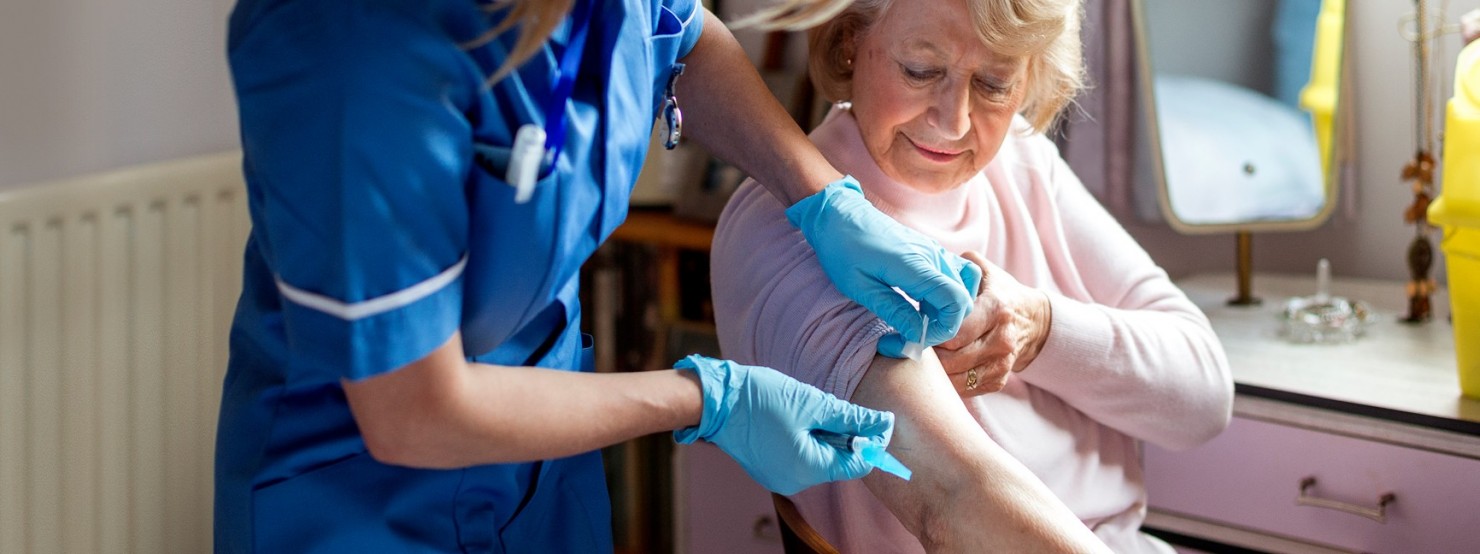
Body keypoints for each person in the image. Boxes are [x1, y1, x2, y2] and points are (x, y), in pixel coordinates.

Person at [214, 0, 988, 551]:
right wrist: (710, 401)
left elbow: (681, 35)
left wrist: (825, 201)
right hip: (358, 494)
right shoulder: (351, 45)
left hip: (544, 472)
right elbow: (412, 410)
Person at [710, 0, 1235, 550]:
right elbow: (961, 504)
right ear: (849, 44)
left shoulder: (1021, 162)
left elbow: (1203, 400)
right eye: (919, 70)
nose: (953, 120)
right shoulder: (795, 233)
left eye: (994, 83)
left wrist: (1041, 330)